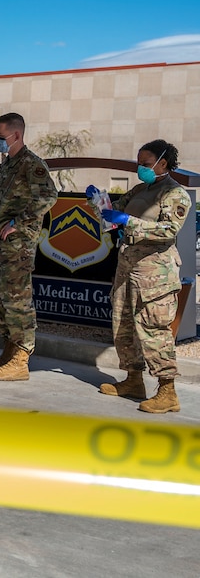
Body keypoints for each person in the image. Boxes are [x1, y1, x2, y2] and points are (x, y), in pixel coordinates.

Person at [93, 140, 189, 413]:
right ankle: (133, 380)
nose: (141, 169)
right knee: (123, 328)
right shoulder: (139, 189)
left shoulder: (175, 194)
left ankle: (167, 391)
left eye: (146, 165)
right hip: (127, 270)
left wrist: (129, 222)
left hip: (154, 276)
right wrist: (97, 203)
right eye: (139, 164)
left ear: (163, 163)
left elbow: (169, 230)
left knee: (154, 331)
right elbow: (111, 215)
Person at [0, 112, 57, 381]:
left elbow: (48, 197)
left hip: (18, 247)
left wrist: (18, 223)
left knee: (17, 302)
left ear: (16, 135)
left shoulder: (31, 164)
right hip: (0, 245)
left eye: (0, 137)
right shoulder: (8, 164)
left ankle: (21, 360)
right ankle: (9, 352)